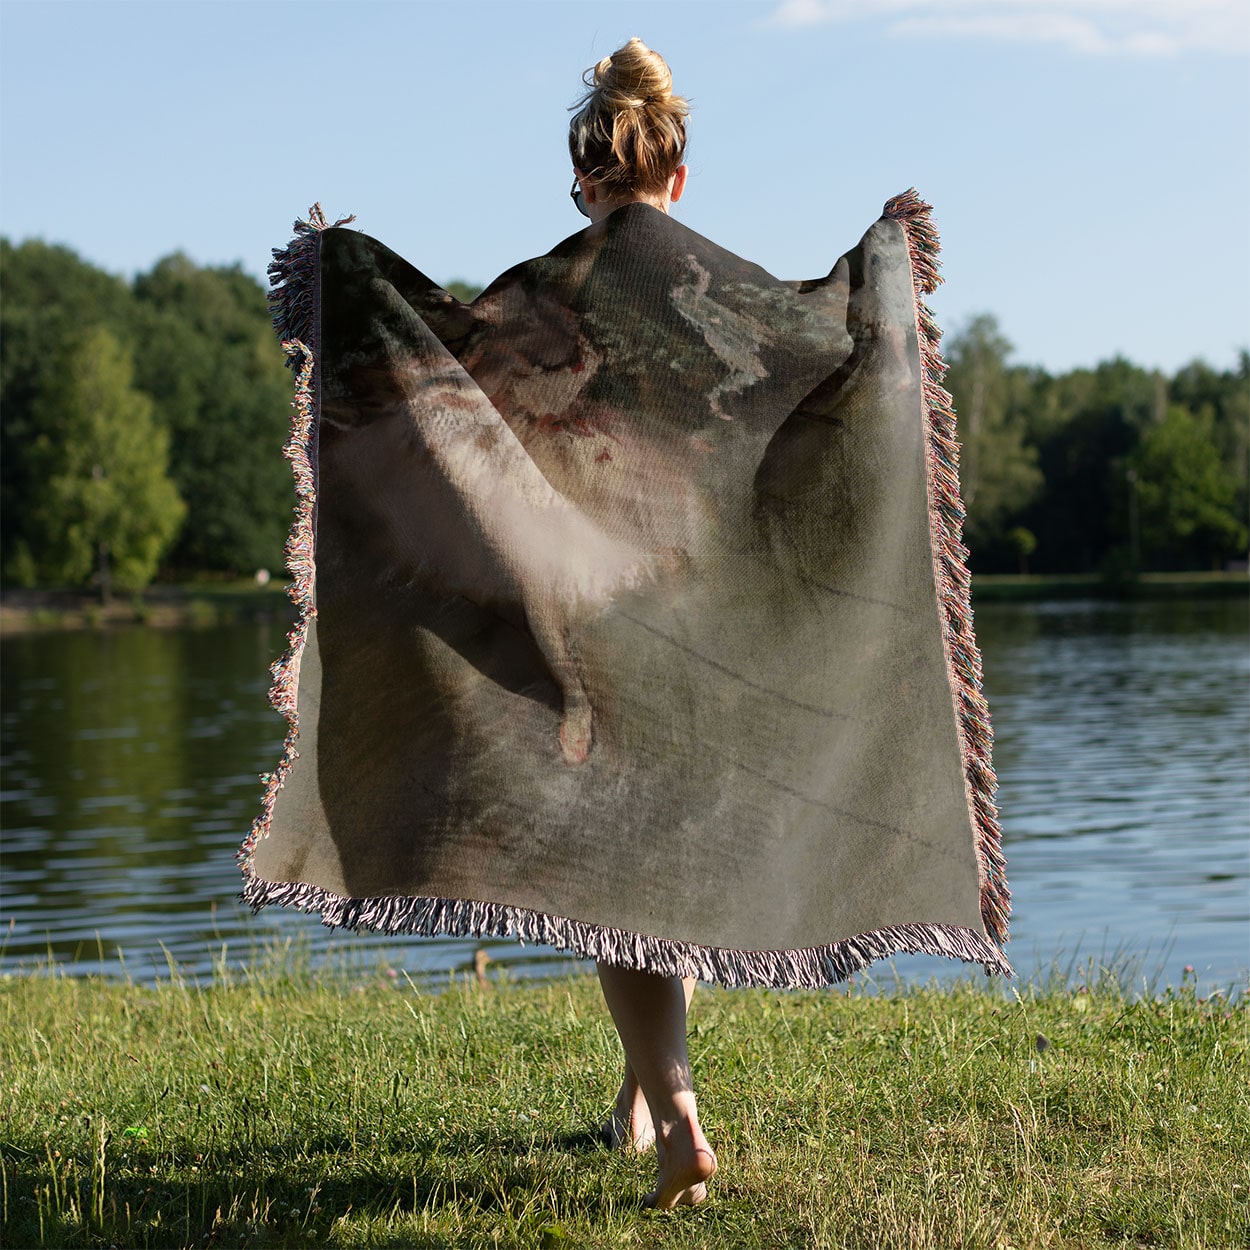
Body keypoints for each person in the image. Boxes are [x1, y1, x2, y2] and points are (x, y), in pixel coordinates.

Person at [567, 37, 716, 1211]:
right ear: (676, 177)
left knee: (613, 879)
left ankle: (677, 1117)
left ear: (588, 184)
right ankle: (633, 1099)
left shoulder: (558, 291)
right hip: (707, 613)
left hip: (607, 610)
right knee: (655, 864)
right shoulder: (721, 292)